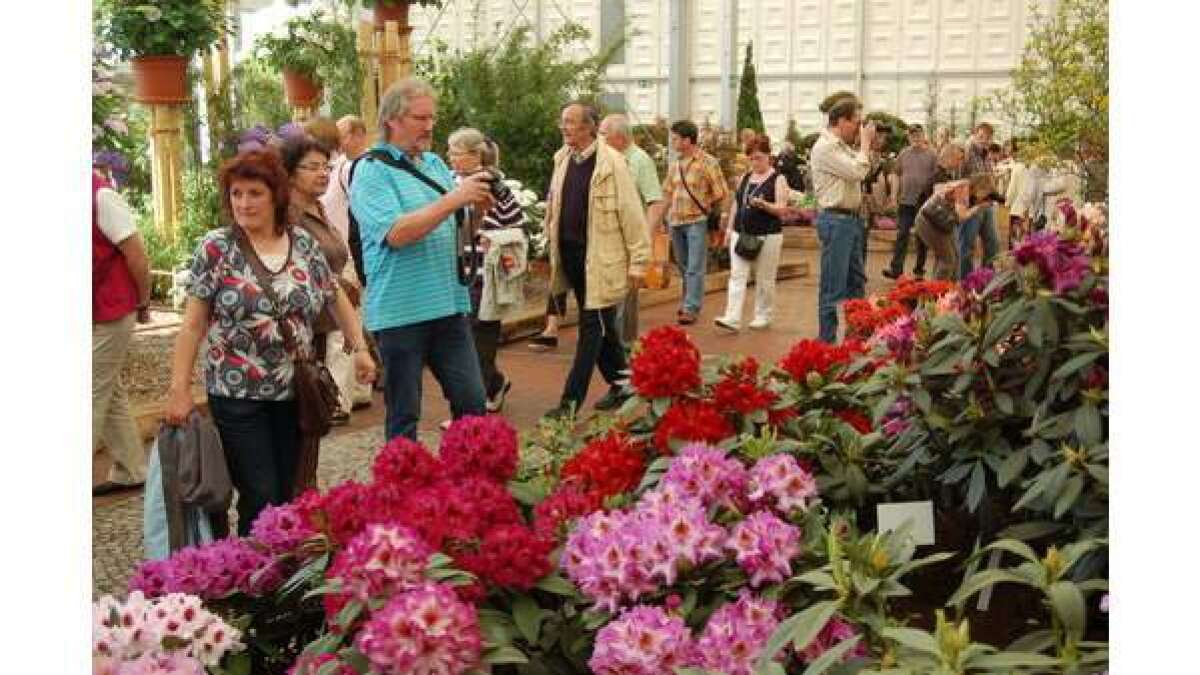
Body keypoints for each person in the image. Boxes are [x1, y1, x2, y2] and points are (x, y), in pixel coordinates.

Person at [165, 149, 374, 534]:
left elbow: (334, 294)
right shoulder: (216, 249)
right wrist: (179, 390)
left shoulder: (304, 245)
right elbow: (192, 326)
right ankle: (256, 580)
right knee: (259, 492)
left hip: (297, 392)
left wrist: (358, 347)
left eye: (254, 193)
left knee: (292, 490)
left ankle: (287, 574)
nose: (243, 203)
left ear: (275, 194)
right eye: (236, 194)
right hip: (236, 392)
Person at [349, 78, 494, 441]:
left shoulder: (432, 163)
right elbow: (396, 234)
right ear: (393, 120)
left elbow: (453, 227)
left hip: (447, 305)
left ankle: (464, 485)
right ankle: (404, 491)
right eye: (420, 118)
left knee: (473, 402)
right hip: (400, 312)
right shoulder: (370, 170)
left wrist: (474, 212)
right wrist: (454, 199)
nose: (430, 126)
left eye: (432, 118)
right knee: (404, 415)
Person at [542, 102, 650, 419]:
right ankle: (624, 384)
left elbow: (632, 215)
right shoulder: (562, 160)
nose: (564, 127)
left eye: (571, 122)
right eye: (562, 121)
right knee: (604, 330)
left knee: (591, 331)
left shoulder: (612, 165)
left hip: (601, 262)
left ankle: (569, 404)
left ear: (590, 127)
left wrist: (639, 262)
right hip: (572, 258)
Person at [446, 127, 526, 413]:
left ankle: (473, 407)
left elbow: (516, 222)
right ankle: (493, 385)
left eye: (455, 153)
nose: (450, 158)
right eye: (449, 152)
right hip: (457, 272)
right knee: (465, 340)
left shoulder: (491, 182)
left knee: (479, 338)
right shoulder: (449, 181)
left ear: (474, 155)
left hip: (485, 274)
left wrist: (491, 235)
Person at [281, 135, 357, 427]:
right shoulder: (288, 216)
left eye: (326, 166)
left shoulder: (318, 208)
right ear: (289, 172)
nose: (323, 173)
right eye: (313, 167)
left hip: (329, 322)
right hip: (306, 329)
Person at [92, 167, 151, 495]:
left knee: (89, 389)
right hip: (95, 308)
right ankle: (132, 467)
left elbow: (137, 256)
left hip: (113, 307)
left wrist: (143, 300)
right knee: (107, 388)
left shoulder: (101, 196)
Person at [807, 97, 873, 343]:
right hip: (836, 221)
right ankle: (826, 343)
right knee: (833, 286)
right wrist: (865, 144)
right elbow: (857, 171)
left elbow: (862, 168)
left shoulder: (842, 147)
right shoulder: (825, 147)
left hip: (851, 221)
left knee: (857, 282)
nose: (859, 127)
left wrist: (862, 145)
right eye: (856, 122)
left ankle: (856, 340)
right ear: (842, 121)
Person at [653, 120, 729, 325]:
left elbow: (721, 192)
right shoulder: (675, 164)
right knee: (684, 266)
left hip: (697, 220)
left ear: (687, 140)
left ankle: (690, 307)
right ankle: (689, 301)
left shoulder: (707, 162)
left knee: (695, 266)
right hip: (675, 222)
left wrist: (721, 216)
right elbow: (667, 194)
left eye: (675, 138)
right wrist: (659, 220)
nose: (672, 141)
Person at [599, 113, 664, 346]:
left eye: (603, 134)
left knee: (625, 296)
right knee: (613, 296)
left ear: (619, 137)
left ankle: (622, 348)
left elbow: (655, 202)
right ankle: (618, 346)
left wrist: (643, 240)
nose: (599, 138)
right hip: (607, 238)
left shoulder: (639, 160)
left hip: (629, 240)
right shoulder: (607, 158)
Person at [714, 134, 790, 333]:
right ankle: (732, 317)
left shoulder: (778, 179)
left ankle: (763, 314)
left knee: (764, 277)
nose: (755, 162)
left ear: (768, 156)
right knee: (737, 275)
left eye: (759, 157)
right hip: (742, 233)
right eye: (752, 158)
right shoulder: (745, 178)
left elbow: (782, 209)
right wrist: (730, 229)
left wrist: (765, 205)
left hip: (768, 235)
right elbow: (736, 205)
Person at [884, 124, 937, 279]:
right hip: (905, 201)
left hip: (924, 203)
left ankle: (919, 270)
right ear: (909, 137)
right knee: (902, 235)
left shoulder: (932, 155)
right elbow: (895, 174)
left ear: (923, 136)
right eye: (912, 135)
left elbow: (937, 178)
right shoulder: (903, 154)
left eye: (918, 135)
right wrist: (893, 196)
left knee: (922, 238)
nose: (915, 138)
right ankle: (896, 269)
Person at [915, 175, 992, 280]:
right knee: (948, 261)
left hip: (940, 222)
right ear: (980, 187)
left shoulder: (963, 185)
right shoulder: (964, 187)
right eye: (986, 192)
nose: (984, 197)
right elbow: (961, 216)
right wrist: (979, 207)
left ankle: (946, 288)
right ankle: (938, 291)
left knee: (954, 257)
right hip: (929, 222)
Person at [958, 122, 1001, 278]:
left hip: (986, 204)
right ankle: (965, 282)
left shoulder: (986, 154)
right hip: (971, 205)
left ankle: (985, 279)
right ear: (975, 134)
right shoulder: (967, 151)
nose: (984, 140)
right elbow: (960, 179)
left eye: (988, 138)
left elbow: (988, 177)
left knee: (993, 244)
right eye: (981, 136)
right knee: (966, 246)